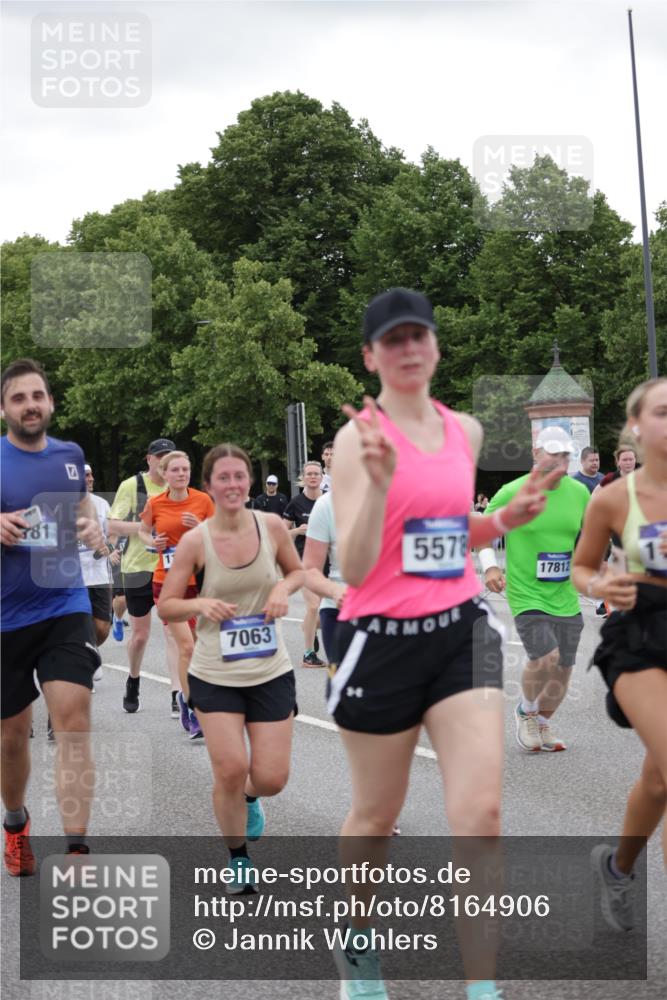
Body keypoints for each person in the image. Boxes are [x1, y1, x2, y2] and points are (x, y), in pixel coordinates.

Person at [330, 288, 560, 1000]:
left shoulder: (463, 430)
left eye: (417, 336)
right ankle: (357, 939)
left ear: (433, 346)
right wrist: (374, 484)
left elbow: (446, 533)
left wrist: (501, 522)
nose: (406, 349)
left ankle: (480, 987)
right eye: (390, 340)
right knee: (377, 814)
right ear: (370, 356)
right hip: (383, 642)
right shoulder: (355, 440)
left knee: (480, 813)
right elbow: (361, 566)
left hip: (460, 631)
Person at [158, 443, 304, 890]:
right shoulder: (196, 541)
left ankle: (250, 798)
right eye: (223, 477)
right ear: (210, 486)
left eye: (239, 476)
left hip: (269, 670)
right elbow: (167, 606)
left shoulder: (273, 526)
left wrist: (284, 590)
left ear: (249, 482)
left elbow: (299, 573)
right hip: (214, 671)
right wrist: (200, 602)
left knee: (271, 778)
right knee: (229, 766)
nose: (233, 484)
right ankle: (238, 857)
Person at [1, 358, 103, 874]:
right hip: (5, 619)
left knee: (73, 720)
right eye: (19, 398)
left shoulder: (69, 455)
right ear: (4, 409)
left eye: (37, 396)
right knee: (11, 738)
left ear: (51, 402)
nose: (30, 405)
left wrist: (91, 529)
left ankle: (78, 851)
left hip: (64, 603)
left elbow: (81, 507)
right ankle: (15, 824)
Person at [572, 378, 667, 931]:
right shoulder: (614, 497)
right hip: (641, 634)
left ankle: (617, 867)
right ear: (635, 426)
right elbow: (584, 566)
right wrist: (599, 586)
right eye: (661, 412)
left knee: (659, 780)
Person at [479, 426, 590, 753]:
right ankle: (525, 711)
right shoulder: (513, 492)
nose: (560, 460)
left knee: (565, 666)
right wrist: (491, 567)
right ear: (536, 453)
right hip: (527, 592)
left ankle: (542, 722)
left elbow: (592, 536)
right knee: (546, 656)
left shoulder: (580, 493)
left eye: (565, 454)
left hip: (565, 593)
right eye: (553, 453)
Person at [138, 450, 214, 735]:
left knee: (200, 647)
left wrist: (203, 527)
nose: (182, 474)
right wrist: (152, 541)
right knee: (187, 647)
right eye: (176, 470)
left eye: (186, 469)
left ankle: (186, 695)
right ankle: (192, 706)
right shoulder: (155, 503)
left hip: (199, 584)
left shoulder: (203, 500)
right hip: (167, 583)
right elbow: (144, 532)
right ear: (165, 474)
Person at [108, 437, 177, 713]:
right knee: (139, 636)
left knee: (174, 632)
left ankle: (178, 695)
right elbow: (111, 524)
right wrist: (144, 528)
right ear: (149, 459)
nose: (163, 462)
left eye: (169, 457)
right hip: (137, 568)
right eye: (159, 456)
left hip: (171, 568)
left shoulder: (179, 487)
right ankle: (133, 680)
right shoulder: (132, 486)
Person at [283, 460, 324, 667]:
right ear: (303, 478)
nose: (313, 477)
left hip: (328, 562)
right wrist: (297, 531)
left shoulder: (329, 501)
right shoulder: (295, 503)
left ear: (322, 477)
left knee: (328, 612)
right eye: (309, 474)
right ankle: (308, 655)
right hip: (304, 561)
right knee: (314, 605)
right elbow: (281, 535)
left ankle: (309, 628)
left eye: (316, 474)